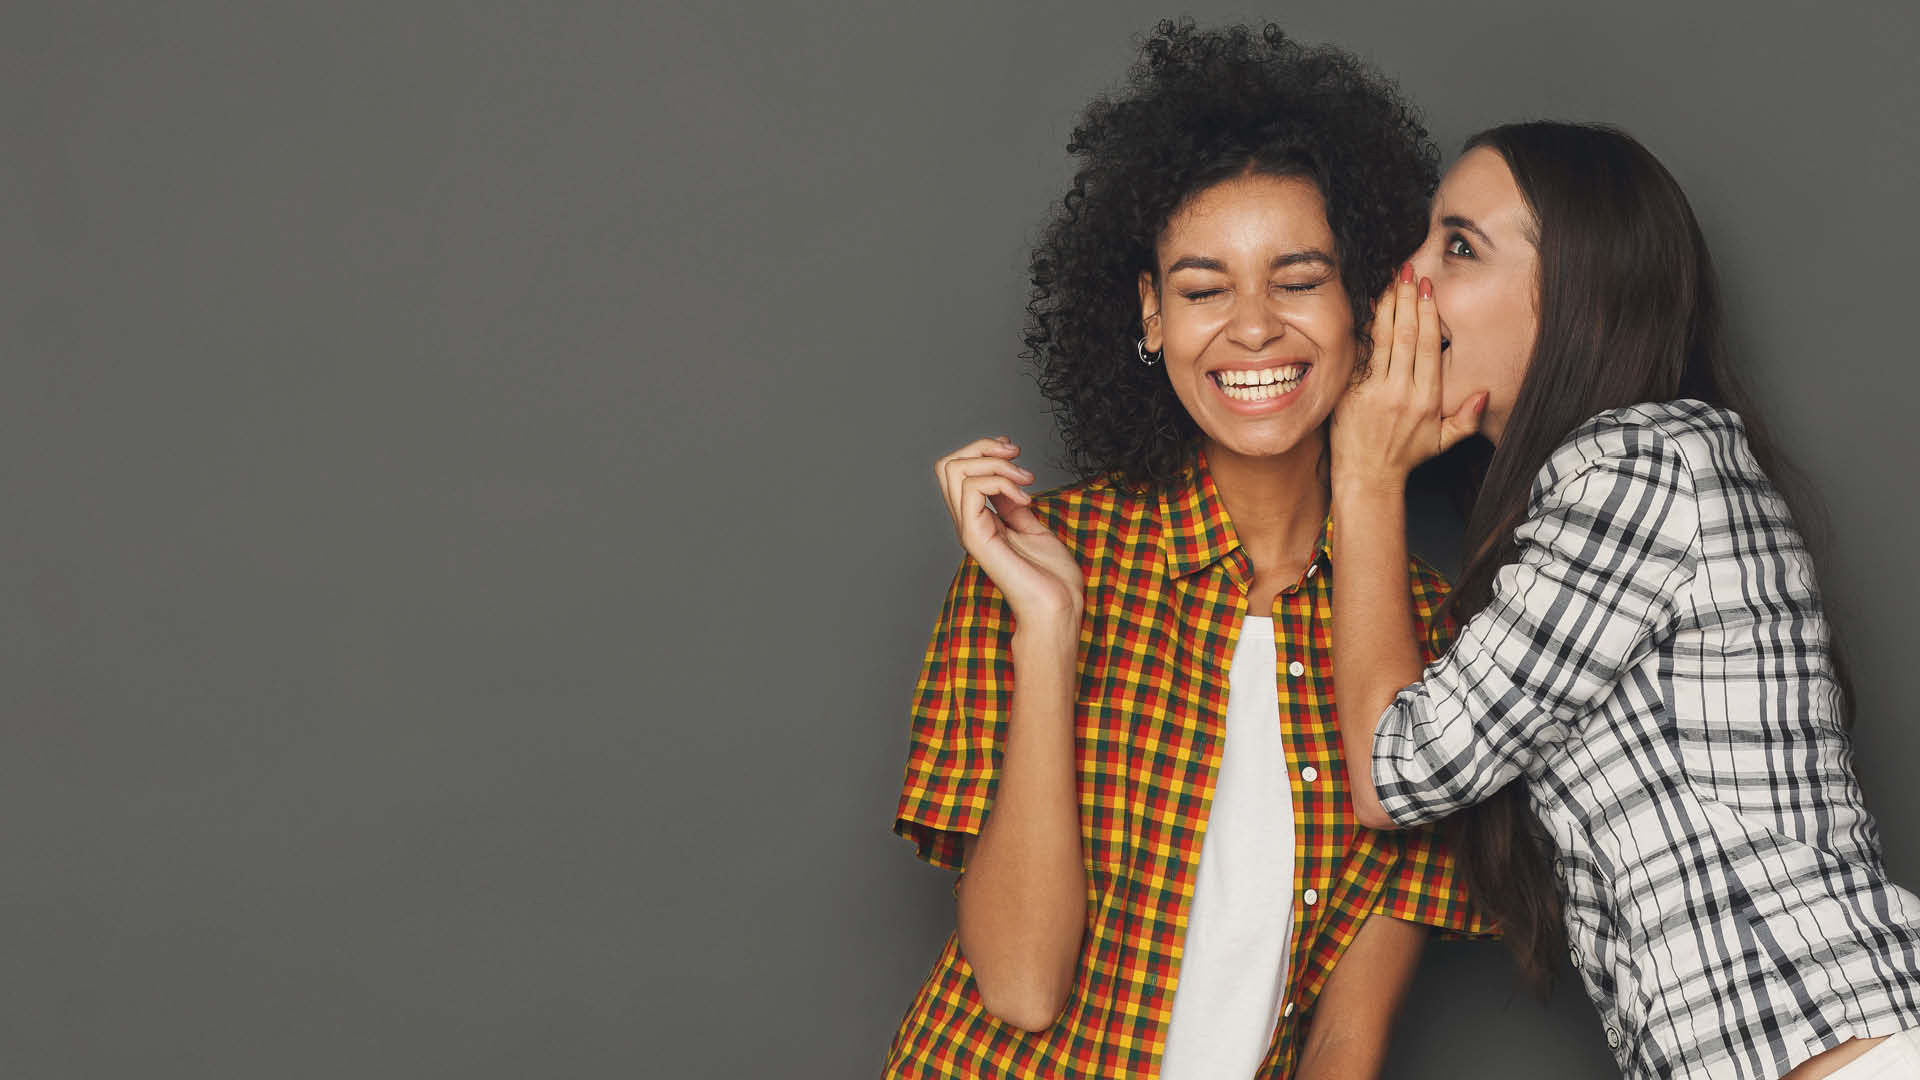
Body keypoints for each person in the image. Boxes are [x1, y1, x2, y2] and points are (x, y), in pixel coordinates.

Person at [885, 22, 1487, 1080]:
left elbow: (1348, 1043)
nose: (1252, 328)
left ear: (1363, 308)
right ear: (1152, 317)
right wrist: (1049, 635)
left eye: (1298, 279)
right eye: (1205, 290)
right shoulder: (1036, 562)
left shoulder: (1428, 639)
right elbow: (1020, 988)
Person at [1330, 121, 1920, 1079]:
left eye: (1461, 245)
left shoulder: (1643, 464)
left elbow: (1398, 771)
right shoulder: (1601, 487)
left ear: (1573, 296)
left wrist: (1361, 479)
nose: (1411, 279)